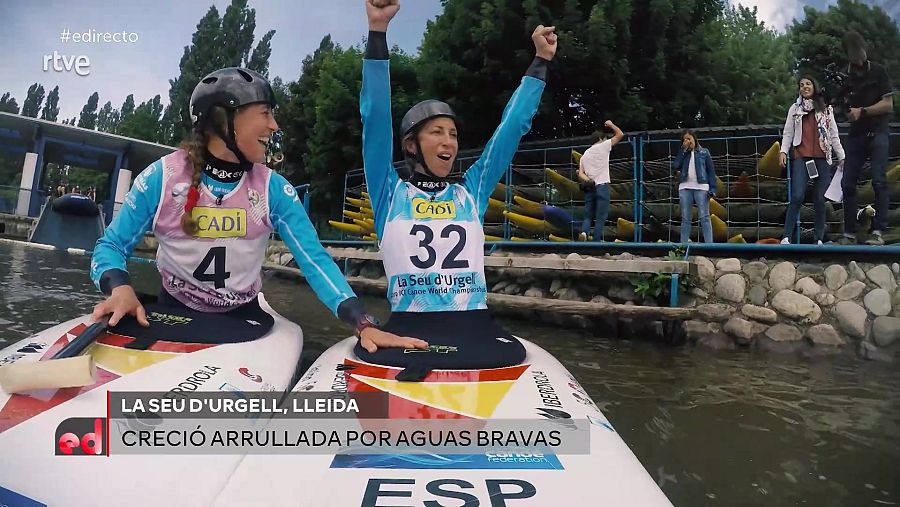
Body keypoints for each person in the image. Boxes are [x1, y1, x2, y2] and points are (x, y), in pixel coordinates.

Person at [89, 66, 425, 354]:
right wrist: (119, 287)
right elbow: (110, 246)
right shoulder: (162, 177)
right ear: (224, 120)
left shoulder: (273, 189)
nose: (275, 125)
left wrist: (362, 322)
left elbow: (314, 260)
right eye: (265, 113)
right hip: (173, 312)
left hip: (243, 319)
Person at [359, 0, 556, 370]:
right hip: (406, 327)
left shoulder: (471, 190)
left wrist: (539, 63)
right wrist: (378, 33)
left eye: (452, 133)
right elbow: (375, 118)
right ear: (411, 146)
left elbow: (510, 130)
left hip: (474, 327)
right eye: (436, 132)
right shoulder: (390, 193)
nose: (449, 141)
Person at [837, 31, 894, 245]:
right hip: (856, 134)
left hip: (879, 131)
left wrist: (863, 111)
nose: (858, 58)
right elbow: (841, 107)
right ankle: (849, 233)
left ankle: (879, 232)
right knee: (847, 184)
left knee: (879, 180)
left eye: (860, 52)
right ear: (848, 55)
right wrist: (845, 112)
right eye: (854, 54)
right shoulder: (844, 76)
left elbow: (888, 104)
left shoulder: (879, 71)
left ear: (865, 49)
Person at [779, 77, 844, 245]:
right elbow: (788, 132)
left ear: (814, 86)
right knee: (797, 195)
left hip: (822, 158)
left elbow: (834, 135)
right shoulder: (795, 109)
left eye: (808, 84)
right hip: (802, 156)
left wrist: (842, 156)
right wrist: (783, 151)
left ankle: (819, 239)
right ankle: (786, 236)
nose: (804, 87)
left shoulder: (826, 109)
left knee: (820, 199)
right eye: (801, 85)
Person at [576, 120, 624, 242]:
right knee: (601, 216)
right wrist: (611, 125)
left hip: (589, 187)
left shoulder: (584, 155)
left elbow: (580, 173)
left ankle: (584, 233)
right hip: (602, 186)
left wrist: (589, 180)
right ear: (601, 138)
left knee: (588, 216)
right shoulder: (604, 146)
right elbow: (620, 134)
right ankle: (596, 241)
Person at [672, 130, 716, 243]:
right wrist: (683, 150)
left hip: (701, 187)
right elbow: (676, 165)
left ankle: (709, 245)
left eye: (689, 139)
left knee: (704, 217)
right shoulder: (683, 153)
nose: (687, 141)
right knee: (686, 217)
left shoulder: (704, 152)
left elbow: (711, 171)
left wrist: (713, 188)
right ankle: (683, 245)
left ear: (694, 139)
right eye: (685, 139)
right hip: (685, 187)